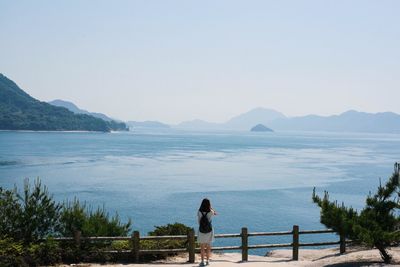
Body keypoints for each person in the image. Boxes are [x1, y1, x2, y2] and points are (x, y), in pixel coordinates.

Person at [197, 198, 217, 266]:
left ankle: (202, 261)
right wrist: (211, 208)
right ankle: (207, 261)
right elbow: (215, 213)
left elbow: (199, 222)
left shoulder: (199, 211)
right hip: (209, 231)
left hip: (201, 231)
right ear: (209, 204)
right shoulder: (211, 212)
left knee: (202, 247)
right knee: (208, 247)